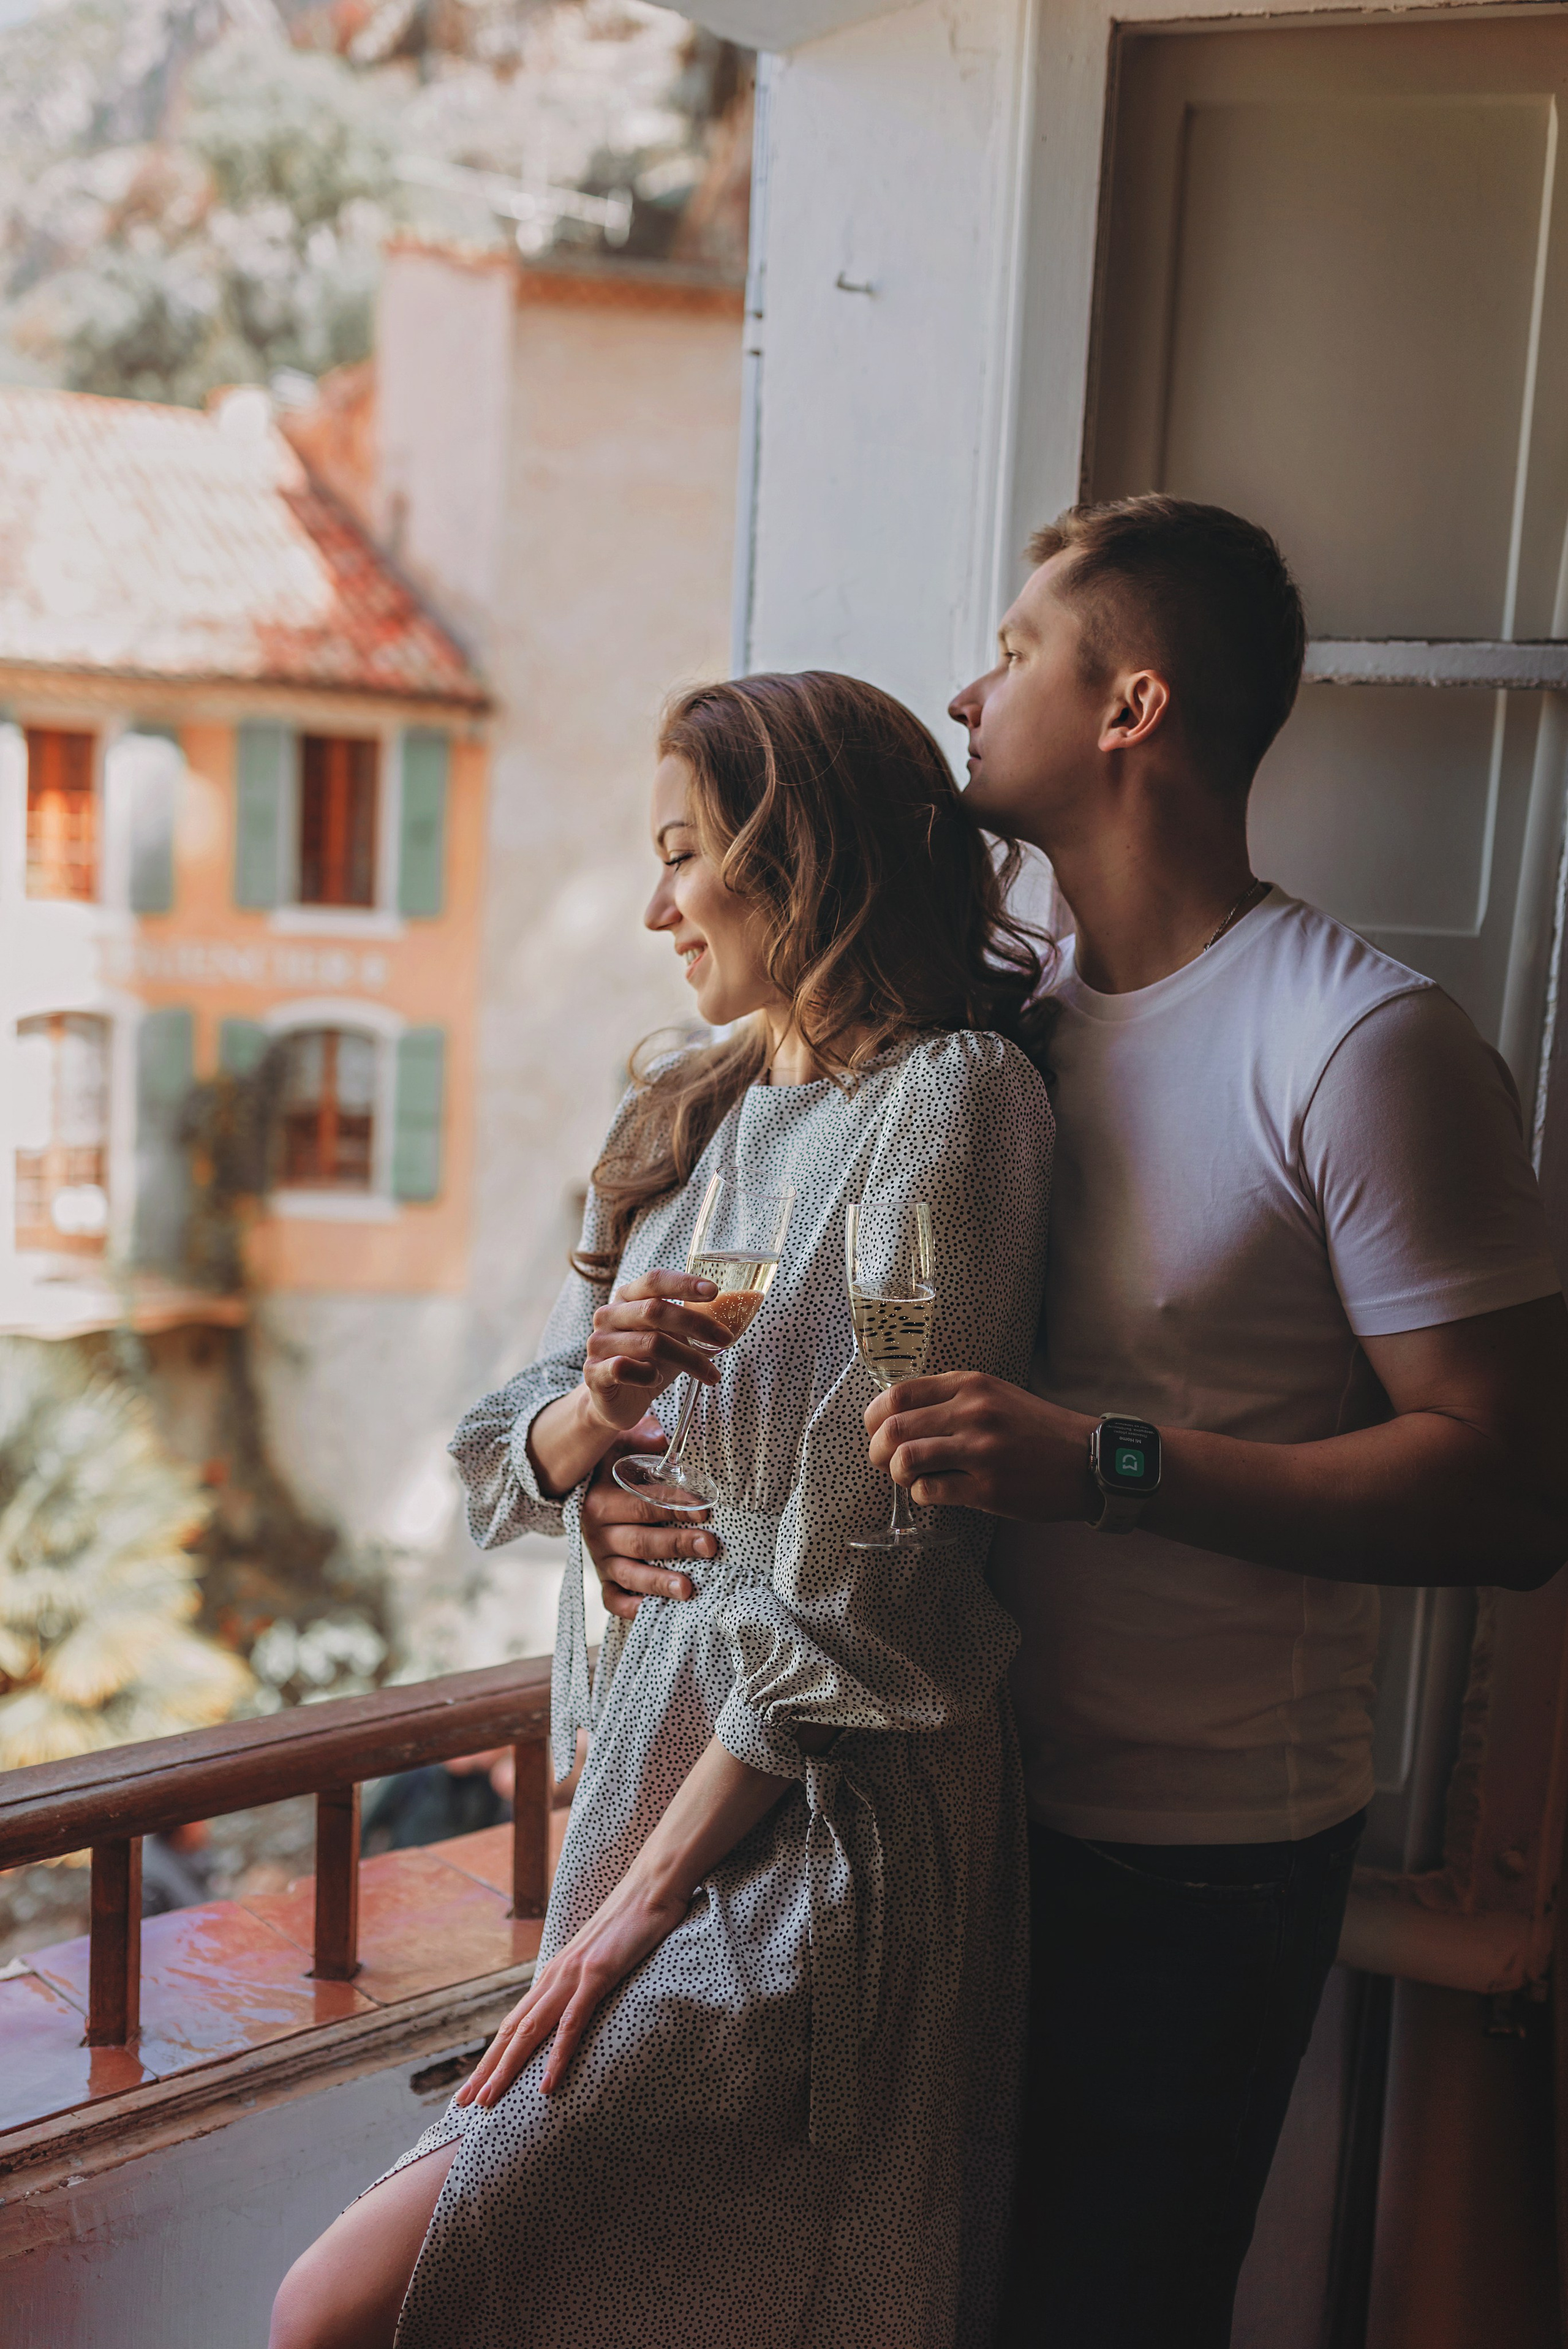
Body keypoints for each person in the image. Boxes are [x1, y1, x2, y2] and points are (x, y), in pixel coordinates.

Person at [581, 498, 1568, 2348]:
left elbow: (1511, 1493)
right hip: (928, 1813)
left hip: (1184, 1860)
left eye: (1019, 652)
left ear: (1132, 706)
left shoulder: (1359, 1045)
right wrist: (610, 1496)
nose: (971, 688)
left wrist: (1104, 1463)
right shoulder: (990, 1029)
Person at [269, 671, 1057, 2349]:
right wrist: (599, 1427)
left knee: (338, 2305)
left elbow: (869, 1580)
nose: (653, 904)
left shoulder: (953, 1102)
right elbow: (497, 1451)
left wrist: (630, 1917)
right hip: (649, 1810)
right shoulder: (706, 1115)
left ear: (804, 858)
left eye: (687, 852)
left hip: (805, 1840)